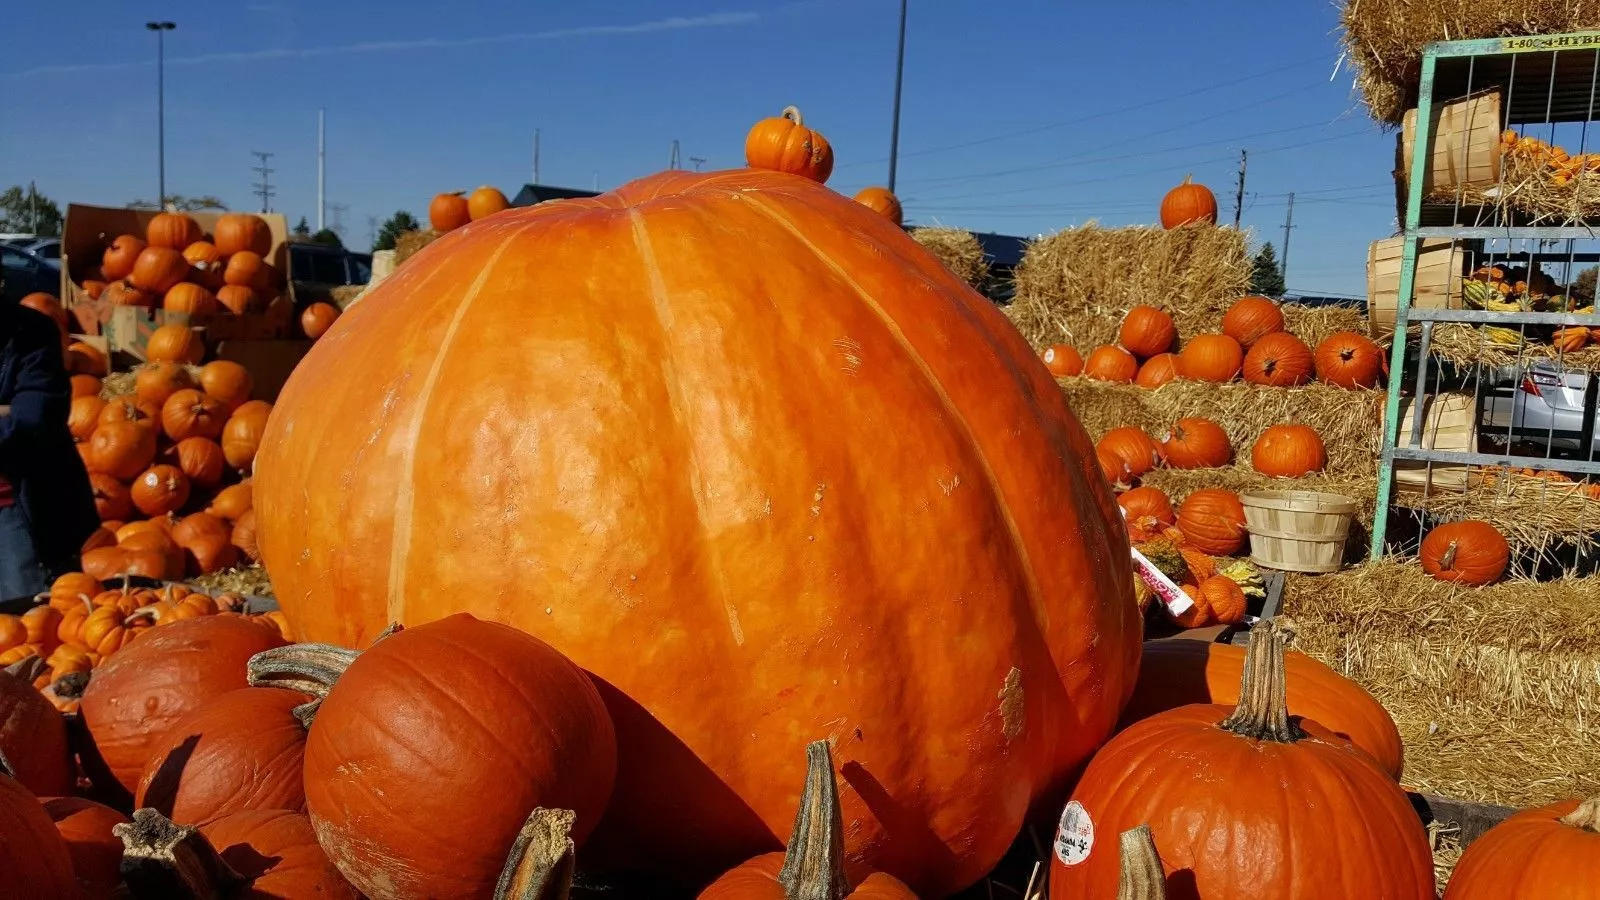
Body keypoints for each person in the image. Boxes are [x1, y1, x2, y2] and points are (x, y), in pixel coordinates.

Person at [0, 296, 99, 598]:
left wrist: (10, 416)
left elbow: (32, 421)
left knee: (26, 627)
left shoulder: (32, 332)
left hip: (18, 512)